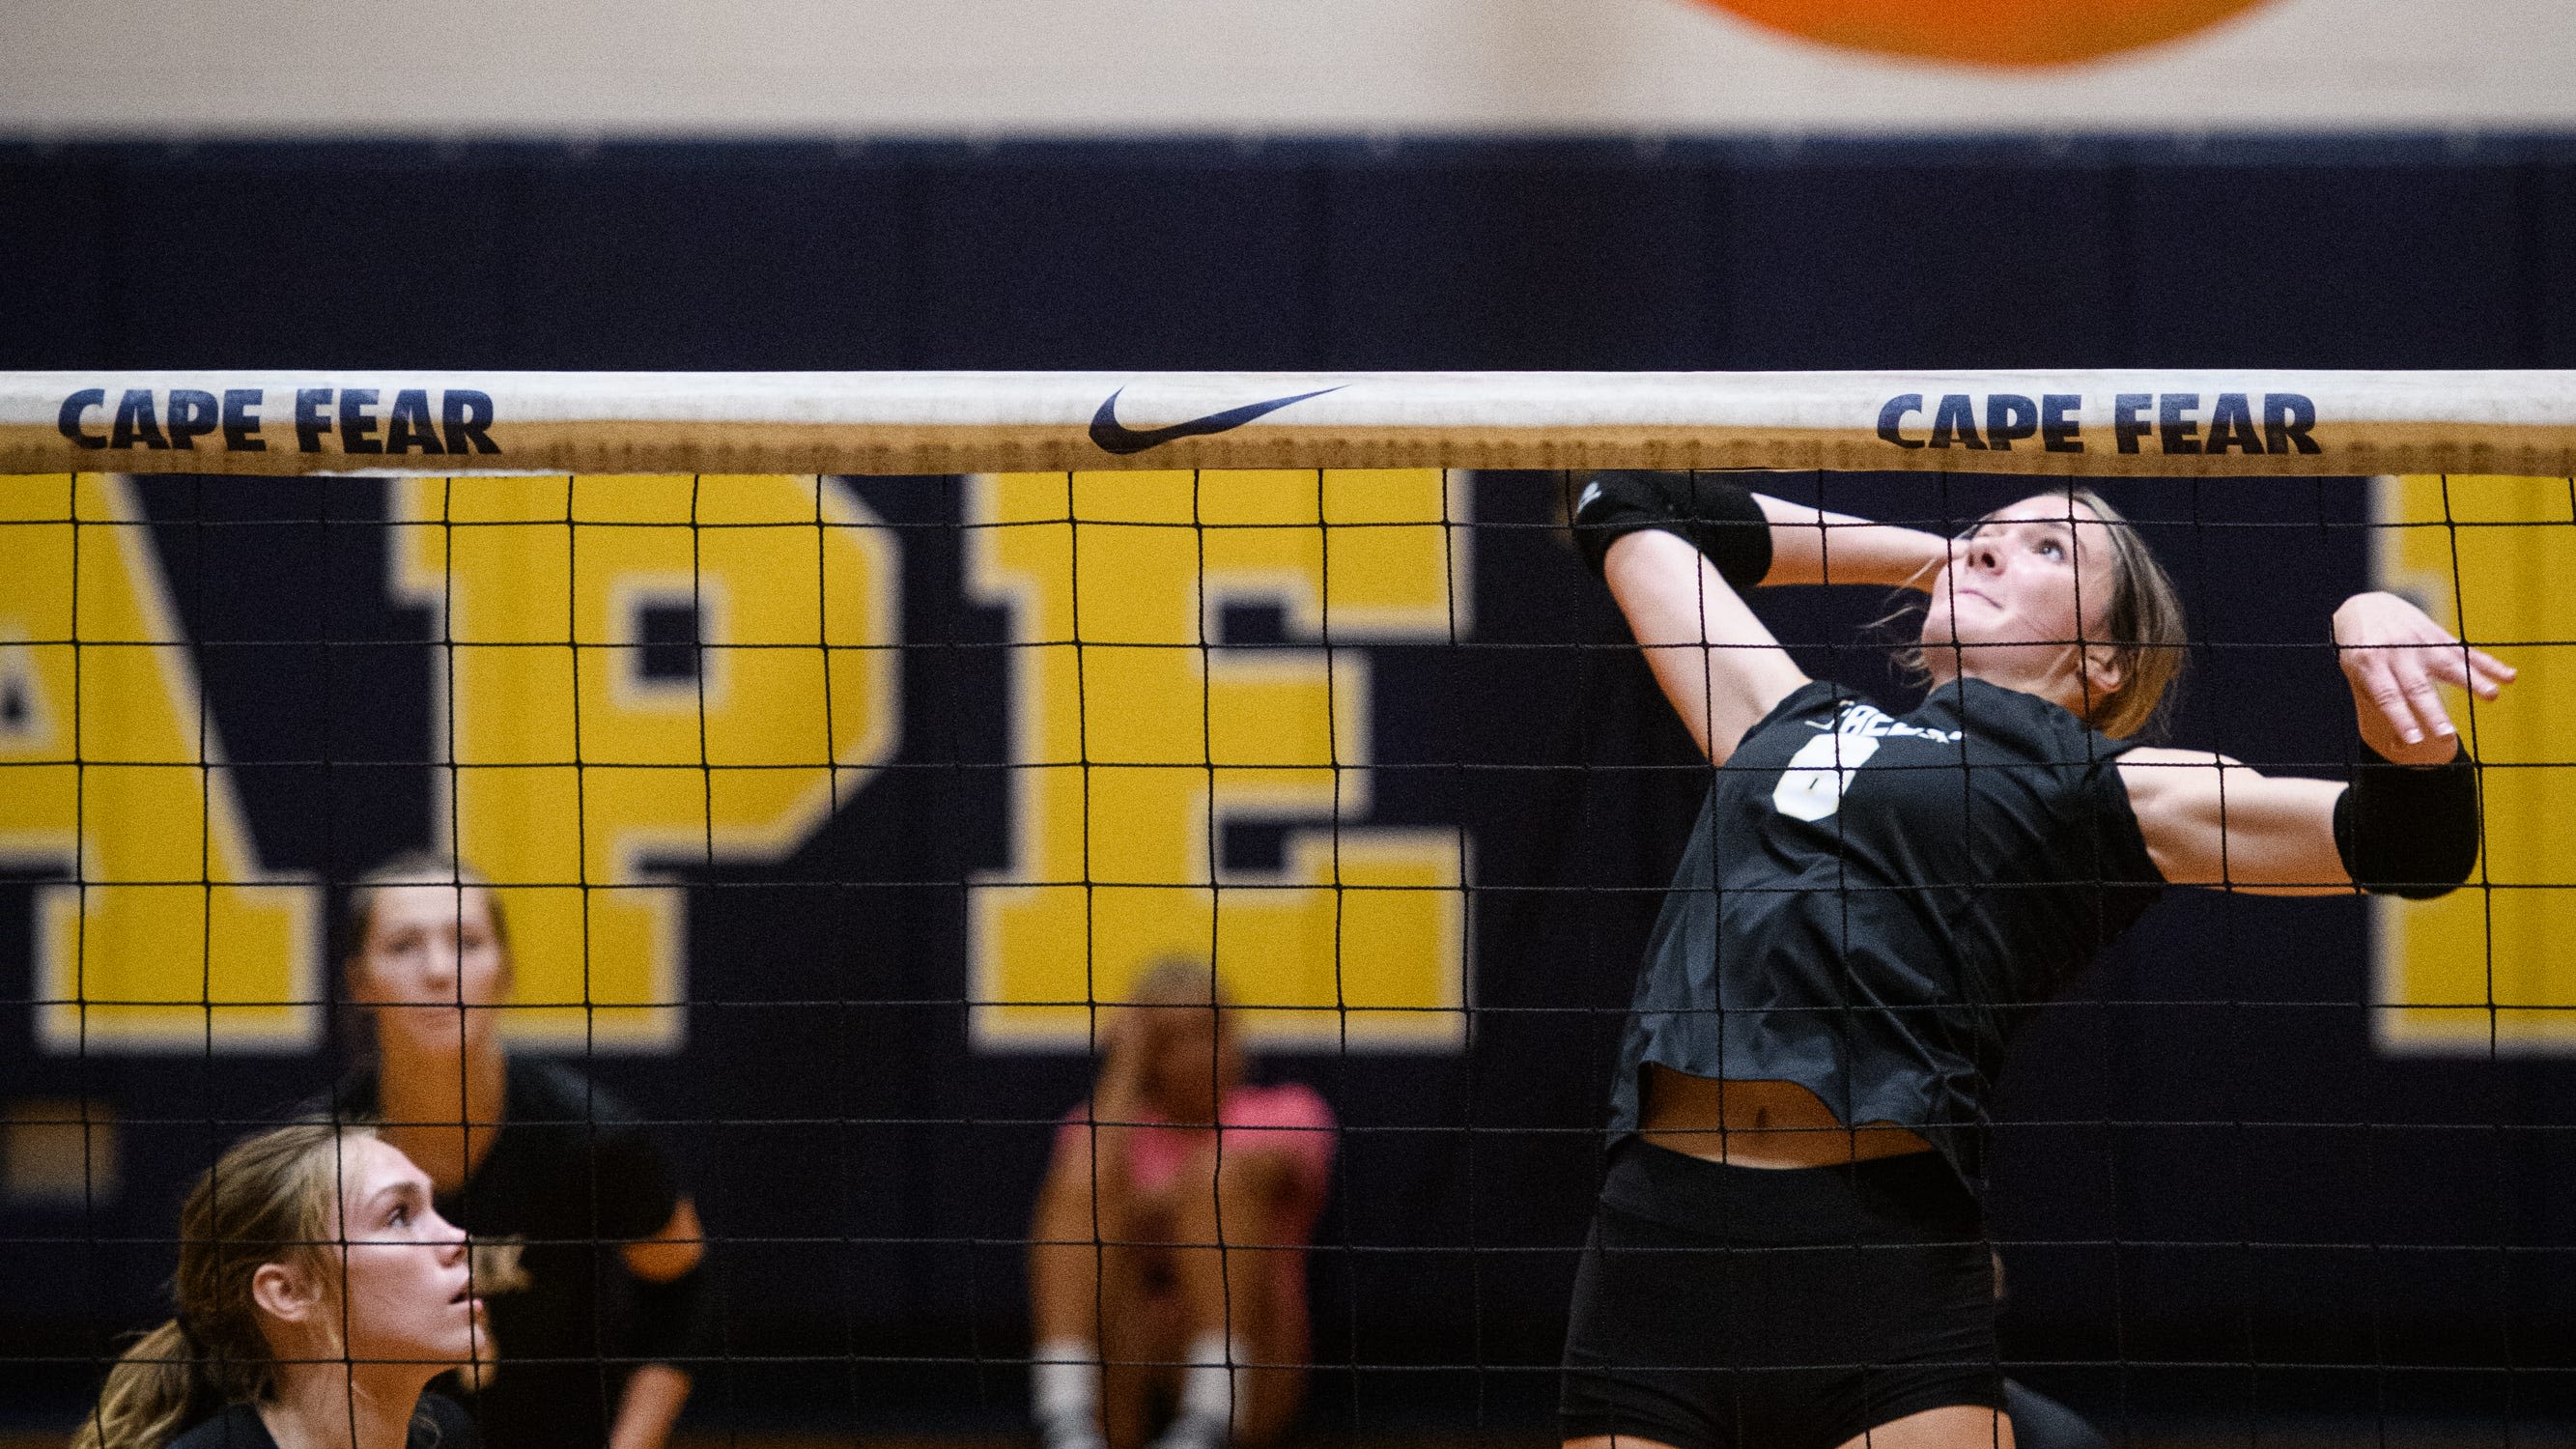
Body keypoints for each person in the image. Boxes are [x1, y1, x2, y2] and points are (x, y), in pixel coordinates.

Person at [1556, 473, 2508, 1449]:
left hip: (1879, 1270)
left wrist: (2376, 636)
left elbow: (2412, 847)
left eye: (2054, 549)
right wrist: (1932, 554)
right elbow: (1622, 504)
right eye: (1987, 532)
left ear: (2103, 659)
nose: (1995, 547)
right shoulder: (1779, 717)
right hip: (1655, 1255)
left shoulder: (2105, 789)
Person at [326, 853, 706, 1449]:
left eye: (467, 942)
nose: (437, 971)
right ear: (360, 982)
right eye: (403, 946)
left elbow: (685, 1297)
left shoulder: (593, 1138)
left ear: (503, 971)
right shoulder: (319, 1157)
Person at [1028, 960, 1337, 1449]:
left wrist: (1156, 1207)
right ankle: (1065, 1417)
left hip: (1253, 1365)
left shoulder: (1288, 1110)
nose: (1198, 1053)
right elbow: (1077, 1193)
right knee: (1084, 1179)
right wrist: (1125, 1065)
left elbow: (1256, 1172)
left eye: (1209, 1031)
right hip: (1126, 1356)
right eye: (1173, 1038)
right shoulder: (1101, 1129)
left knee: (1221, 1179)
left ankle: (1210, 1414)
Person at [75, 1122, 486, 1449]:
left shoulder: (448, 1436)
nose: (459, 1240)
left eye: (433, 1207)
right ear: (288, 1293)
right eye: (398, 1215)